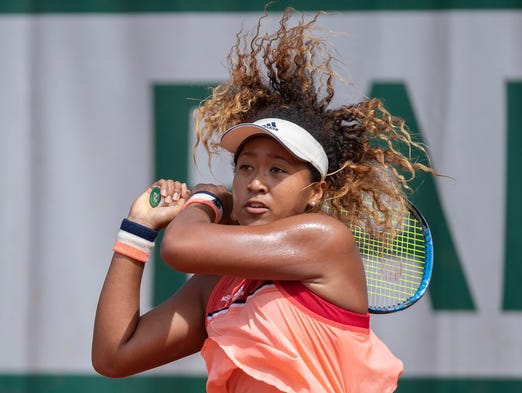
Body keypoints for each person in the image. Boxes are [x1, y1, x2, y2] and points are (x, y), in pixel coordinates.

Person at [92, 8, 434, 392]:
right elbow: (114, 356)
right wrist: (137, 231)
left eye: (278, 171)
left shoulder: (323, 238)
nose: (256, 183)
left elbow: (181, 246)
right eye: (245, 168)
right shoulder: (215, 286)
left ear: (316, 191)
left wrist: (208, 199)